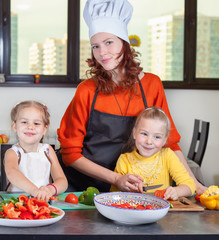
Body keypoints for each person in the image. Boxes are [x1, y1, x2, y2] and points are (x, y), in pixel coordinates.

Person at [57, 0, 206, 194]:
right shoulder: (86, 90)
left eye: (109, 42)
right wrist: (116, 178)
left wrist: (196, 185)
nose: (102, 53)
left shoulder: (151, 85)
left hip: (131, 189)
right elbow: (70, 154)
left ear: (124, 43)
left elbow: (169, 142)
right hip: (83, 188)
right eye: (95, 46)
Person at [110, 107, 196, 200]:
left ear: (164, 140)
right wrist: (128, 189)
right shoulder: (124, 160)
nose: (149, 141)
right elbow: (113, 194)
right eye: (144, 134)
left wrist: (176, 191)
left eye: (157, 137)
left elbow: (190, 185)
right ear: (134, 133)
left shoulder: (168, 156)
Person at [4, 101, 68, 201]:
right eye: (24, 122)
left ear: (44, 129)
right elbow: (12, 173)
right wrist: (35, 191)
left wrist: (50, 190)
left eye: (36, 123)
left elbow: (62, 181)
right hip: (17, 204)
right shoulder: (12, 153)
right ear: (15, 126)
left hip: (43, 203)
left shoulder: (48, 150)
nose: (30, 126)